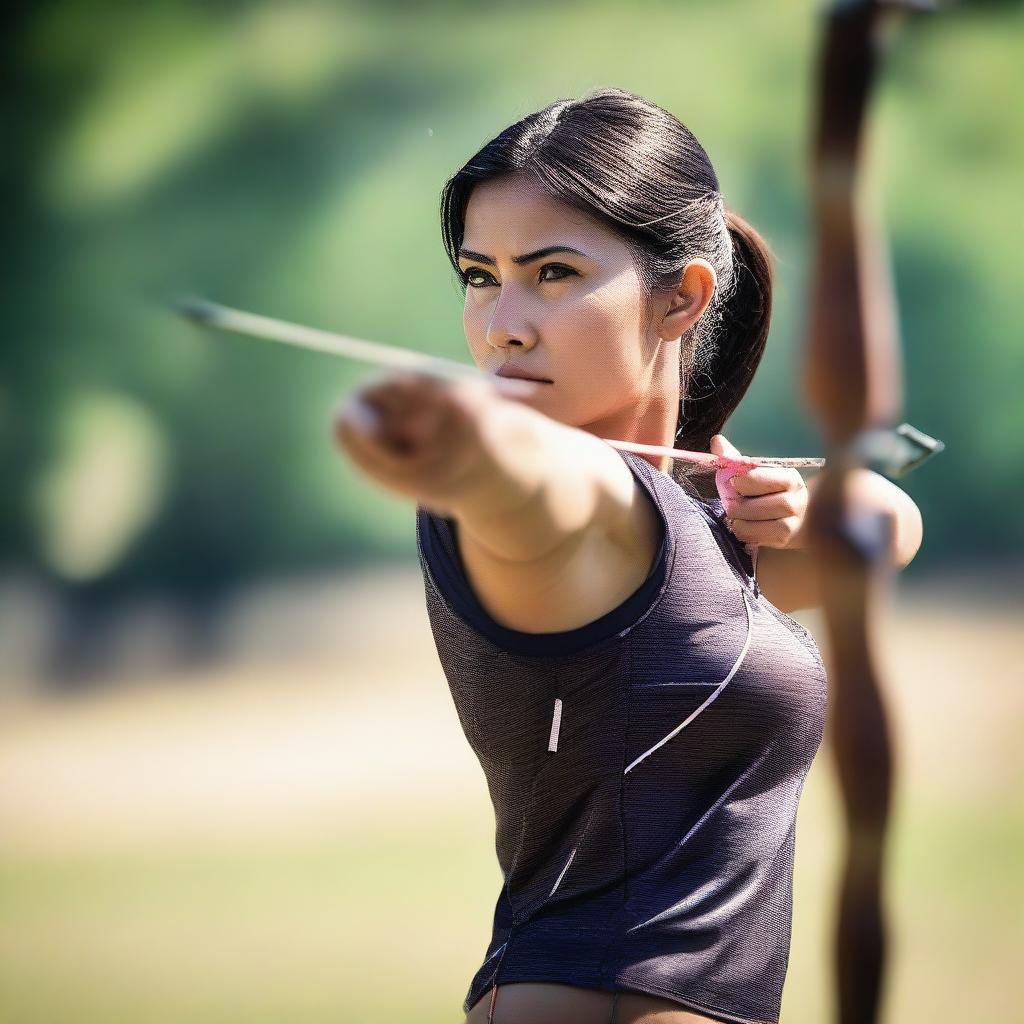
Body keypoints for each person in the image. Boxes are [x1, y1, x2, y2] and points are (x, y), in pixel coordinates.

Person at [334, 87, 922, 1024]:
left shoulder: (688, 521)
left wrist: (804, 513)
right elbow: (536, 491)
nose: (500, 325)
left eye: (553, 273)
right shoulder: (570, 501)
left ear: (682, 296)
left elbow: (881, 533)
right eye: (479, 276)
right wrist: (453, 449)